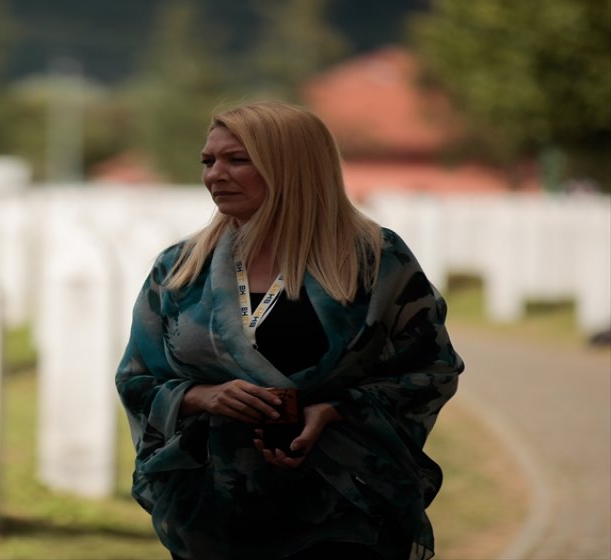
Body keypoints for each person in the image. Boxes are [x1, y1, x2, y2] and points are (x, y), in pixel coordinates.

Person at [114, 101, 464, 559]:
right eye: (208, 161)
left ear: (292, 165)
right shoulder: (180, 269)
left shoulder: (373, 260)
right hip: (214, 512)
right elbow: (137, 379)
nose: (215, 174)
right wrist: (202, 396)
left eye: (237, 159)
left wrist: (334, 410)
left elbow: (432, 369)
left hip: (344, 510)